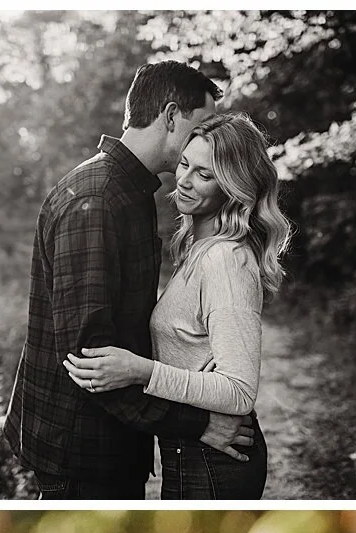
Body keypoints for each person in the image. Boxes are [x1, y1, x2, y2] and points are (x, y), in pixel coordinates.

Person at [4, 60, 252, 499]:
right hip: (83, 450)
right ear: (171, 116)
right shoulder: (99, 199)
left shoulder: (131, 192)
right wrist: (197, 423)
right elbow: (90, 361)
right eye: (201, 124)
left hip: (111, 441)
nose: (207, 137)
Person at [63, 110, 291, 500]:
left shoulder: (225, 260)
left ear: (234, 187)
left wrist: (139, 370)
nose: (183, 180)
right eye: (185, 164)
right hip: (191, 450)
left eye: (204, 174)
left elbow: (239, 391)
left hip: (215, 460)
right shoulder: (198, 249)